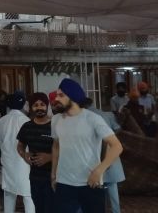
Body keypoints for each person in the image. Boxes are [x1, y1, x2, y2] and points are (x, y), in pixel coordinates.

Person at [50, 78, 124, 213]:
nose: (56, 99)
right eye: (57, 95)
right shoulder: (55, 120)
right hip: (64, 183)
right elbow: (56, 146)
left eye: (61, 95)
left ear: (72, 97)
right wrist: (53, 174)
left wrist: (99, 171)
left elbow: (117, 146)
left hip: (90, 182)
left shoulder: (93, 119)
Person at [82, 98, 126, 213]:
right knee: (112, 185)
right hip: (111, 149)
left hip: (93, 151)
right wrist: (110, 135)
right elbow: (118, 128)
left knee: (95, 187)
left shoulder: (84, 116)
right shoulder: (108, 114)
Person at [0, 93, 34, 213]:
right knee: (28, 195)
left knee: (9, 194)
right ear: (23, 104)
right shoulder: (27, 121)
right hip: (24, 162)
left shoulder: (1, 121)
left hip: (8, 161)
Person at [16, 93, 54, 213]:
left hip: (54, 178)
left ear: (47, 106)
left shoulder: (55, 125)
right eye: (35, 105)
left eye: (42, 104)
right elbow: (20, 146)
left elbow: (67, 149)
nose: (39, 108)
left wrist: (50, 157)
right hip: (35, 178)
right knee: (39, 209)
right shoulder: (27, 127)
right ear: (31, 108)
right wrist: (24, 155)